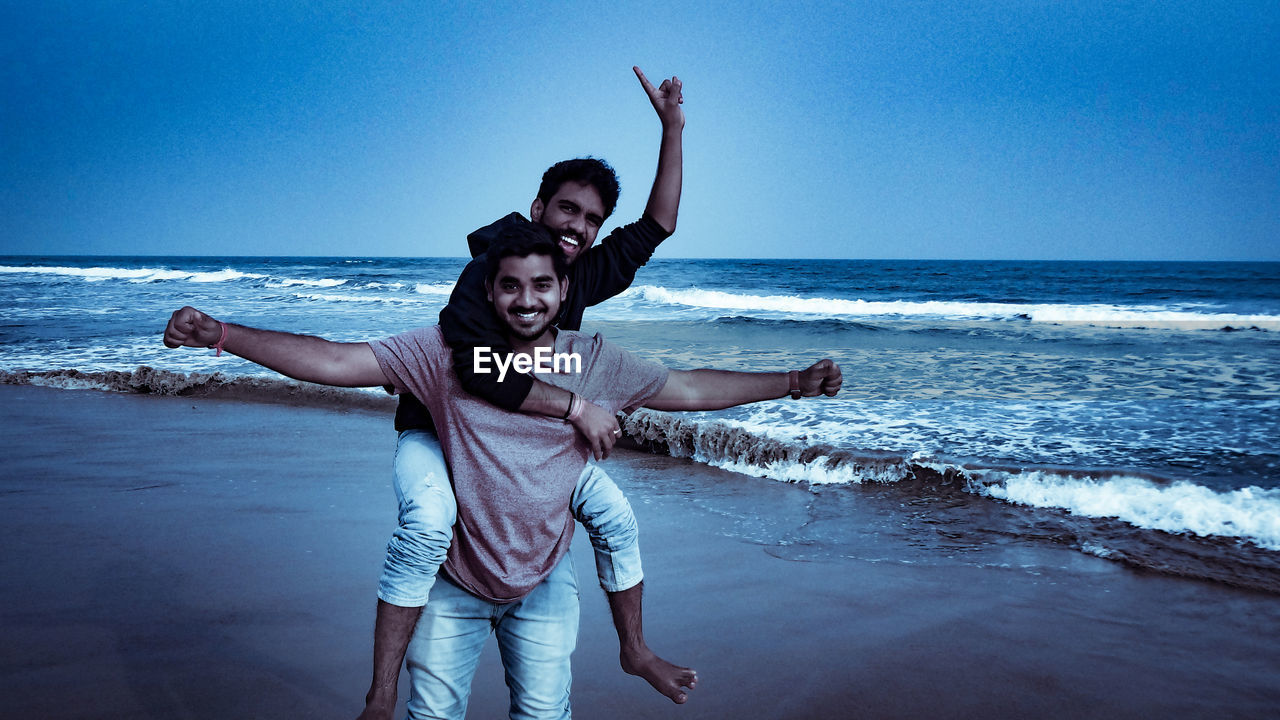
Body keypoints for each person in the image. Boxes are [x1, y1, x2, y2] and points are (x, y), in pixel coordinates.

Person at [162, 223, 843, 719]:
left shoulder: (594, 360)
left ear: (564, 289)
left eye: (542, 285)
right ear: (489, 290)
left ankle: (632, 648)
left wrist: (790, 381)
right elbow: (335, 362)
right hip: (453, 588)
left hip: (542, 587)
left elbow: (689, 387)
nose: (526, 299)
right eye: (511, 286)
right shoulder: (440, 352)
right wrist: (223, 334)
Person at [364, 67, 689, 717]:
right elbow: (476, 373)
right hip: (442, 431)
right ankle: (381, 693)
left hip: (526, 443)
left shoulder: (579, 272)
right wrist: (576, 406)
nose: (578, 226)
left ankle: (635, 648)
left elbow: (659, 225)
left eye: (593, 218)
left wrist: (672, 128)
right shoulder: (494, 269)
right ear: (538, 207)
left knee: (615, 513)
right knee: (431, 520)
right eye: (567, 208)